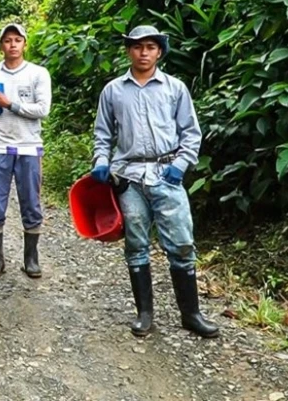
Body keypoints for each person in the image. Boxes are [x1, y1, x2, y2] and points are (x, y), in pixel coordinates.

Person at [90, 25, 219, 339]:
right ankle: (144, 314)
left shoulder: (175, 89)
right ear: (128, 51)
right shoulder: (113, 91)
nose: (143, 53)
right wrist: (101, 161)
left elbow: (191, 133)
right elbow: (103, 134)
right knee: (136, 243)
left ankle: (191, 314)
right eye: (137, 47)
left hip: (166, 174)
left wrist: (181, 165)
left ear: (159, 51)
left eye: (150, 47)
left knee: (182, 243)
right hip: (129, 176)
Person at [0, 23, 52, 279]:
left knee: (31, 203)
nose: (12, 45)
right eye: (7, 40)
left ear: (24, 44)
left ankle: (31, 258)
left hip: (29, 148)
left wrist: (10, 104)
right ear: (1, 46)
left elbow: (42, 109)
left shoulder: (38, 74)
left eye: (17, 40)